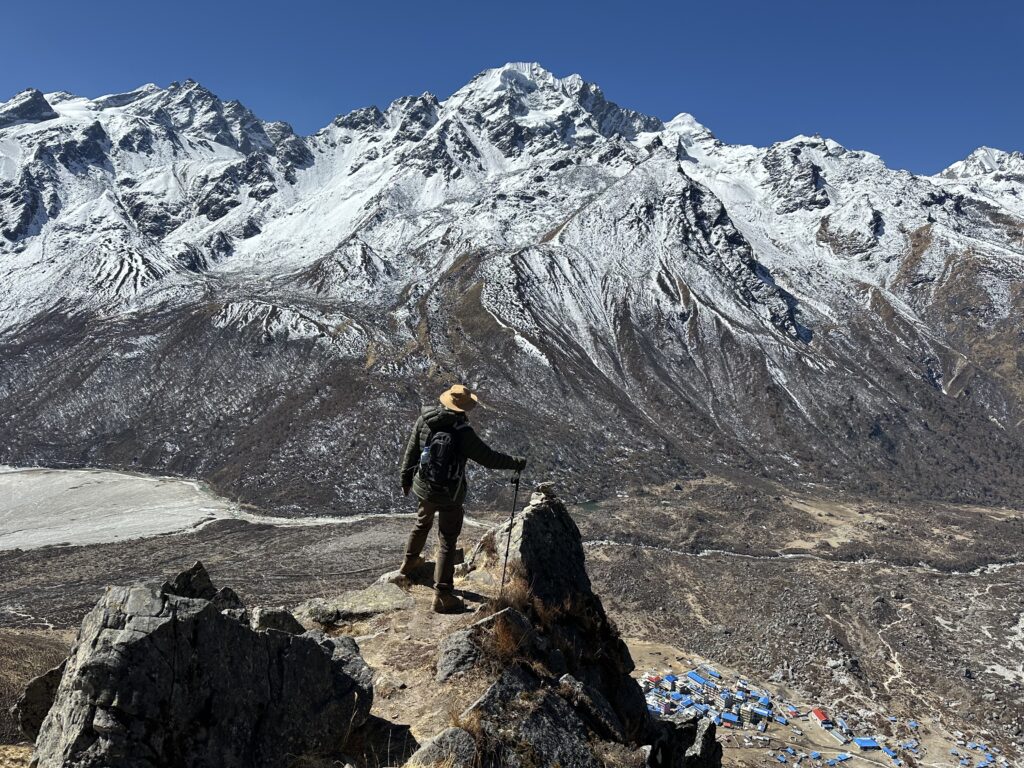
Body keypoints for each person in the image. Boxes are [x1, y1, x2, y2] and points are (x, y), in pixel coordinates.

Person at [398, 384, 526, 613]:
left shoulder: (424, 420)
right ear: (463, 408)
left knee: (421, 523)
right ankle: (443, 595)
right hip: (450, 494)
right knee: (447, 540)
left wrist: (406, 480)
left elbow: (411, 452)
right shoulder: (462, 433)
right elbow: (489, 458)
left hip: (424, 488)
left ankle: (409, 562)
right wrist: (515, 463)